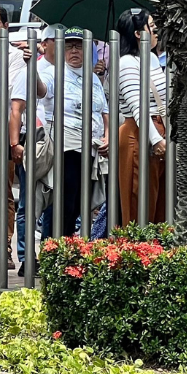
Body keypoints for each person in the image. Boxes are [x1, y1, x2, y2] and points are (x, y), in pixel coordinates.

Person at [0, 4, 45, 270]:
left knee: (2, 191)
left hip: (3, 128)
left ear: (5, 26)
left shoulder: (16, 57)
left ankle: (3, 246)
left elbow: (8, 94)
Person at [39, 27, 110, 238]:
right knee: (63, 202)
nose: (74, 51)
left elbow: (104, 111)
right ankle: (53, 249)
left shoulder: (93, 77)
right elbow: (41, 90)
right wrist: (30, 67)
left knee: (80, 203)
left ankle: (68, 250)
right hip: (65, 147)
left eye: (79, 46)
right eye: (69, 46)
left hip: (90, 149)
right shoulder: (52, 72)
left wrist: (107, 135)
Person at [115, 8, 169, 226]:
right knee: (139, 203)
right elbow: (138, 107)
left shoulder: (152, 59)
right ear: (138, 33)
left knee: (159, 207)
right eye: (152, 25)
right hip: (139, 133)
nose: (156, 31)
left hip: (159, 130)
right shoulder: (127, 62)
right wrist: (155, 139)